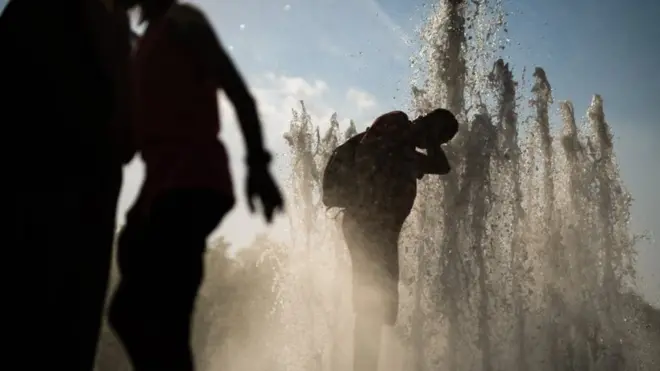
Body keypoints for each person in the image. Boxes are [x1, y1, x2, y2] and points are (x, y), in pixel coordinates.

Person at [107, 1, 284, 370]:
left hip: (192, 182)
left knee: (156, 318)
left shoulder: (181, 21)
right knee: (134, 314)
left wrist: (258, 164)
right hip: (161, 188)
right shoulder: (143, 46)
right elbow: (130, 142)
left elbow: (236, 89)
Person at [2, 1, 135, 370]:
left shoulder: (21, 15)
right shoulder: (106, 19)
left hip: (34, 181)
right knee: (67, 327)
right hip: (81, 183)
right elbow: (126, 135)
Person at [322, 109, 459, 371]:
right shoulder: (396, 124)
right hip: (366, 225)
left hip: (382, 231)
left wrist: (429, 139)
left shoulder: (406, 152)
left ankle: (366, 365)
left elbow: (442, 167)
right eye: (438, 138)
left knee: (381, 304)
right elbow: (367, 153)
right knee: (370, 300)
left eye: (440, 142)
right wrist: (426, 133)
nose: (434, 145)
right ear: (428, 123)